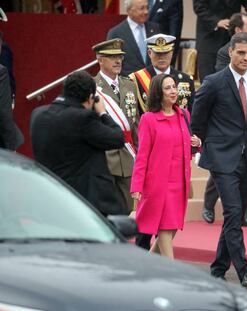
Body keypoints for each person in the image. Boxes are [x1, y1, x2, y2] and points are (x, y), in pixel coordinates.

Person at [191, 32, 247, 290]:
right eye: (241, 53)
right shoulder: (213, 82)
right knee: (234, 212)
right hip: (222, 159)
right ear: (231, 52)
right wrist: (203, 147)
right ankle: (244, 272)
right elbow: (197, 120)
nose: (246, 58)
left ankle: (218, 268)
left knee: (234, 216)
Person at [129, 33, 195, 250]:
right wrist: (137, 186)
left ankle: (146, 268)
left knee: (170, 230)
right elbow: (143, 155)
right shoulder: (148, 116)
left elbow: (186, 140)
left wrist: (198, 143)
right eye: (168, 88)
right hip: (159, 182)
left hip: (180, 181)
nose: (174, 90)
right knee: (163, 232)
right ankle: (172, 278)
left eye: (174, 87)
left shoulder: (184, 114)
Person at [30, 70, 125, 216]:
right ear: (90, 98)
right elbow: (117, 138)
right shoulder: (83, 118)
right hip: (83, 203)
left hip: (49, 197)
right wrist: (103, 113)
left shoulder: (38, 115)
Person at [202, 12, 247, 227]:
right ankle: (209, 205)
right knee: (222, 175)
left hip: (246, 134)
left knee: (243, 179)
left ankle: (244, 214)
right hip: (226, 127)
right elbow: (222, 82)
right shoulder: (222, 55)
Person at [93, 38, 139, 215]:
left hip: (128, 158)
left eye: (120, 56)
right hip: (104, 159)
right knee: (105, 213)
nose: (118, 61)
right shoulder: (91, 86)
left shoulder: (129, 85)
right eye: (112, 57)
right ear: (100, 59)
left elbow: (135, 124)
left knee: (130, 211)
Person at [193, 0, 247, 82]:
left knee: (235, 80)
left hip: (231, 39)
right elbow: (199, 6)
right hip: (209, 39)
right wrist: (217, 21)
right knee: (208, 80)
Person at [130, 33, 194, 116]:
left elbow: (192, 113)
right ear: (149, 53)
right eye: (158, 53)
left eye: (166, 52)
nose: (162, 57)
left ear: (171, 52)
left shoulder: (186, 80)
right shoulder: (136, 79)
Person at [107, 0, 160, 76]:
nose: (146, 12)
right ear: (129, 10)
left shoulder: (155, 29)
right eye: (142, 8)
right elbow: (112, 64)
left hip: (153, 82)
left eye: (147, 8)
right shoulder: (116, 33)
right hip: (128, 83)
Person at [148, 0, 183, 66]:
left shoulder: (172, 2)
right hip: (137, 58)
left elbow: (174, 35)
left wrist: (168, 63)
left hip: (160, 56)